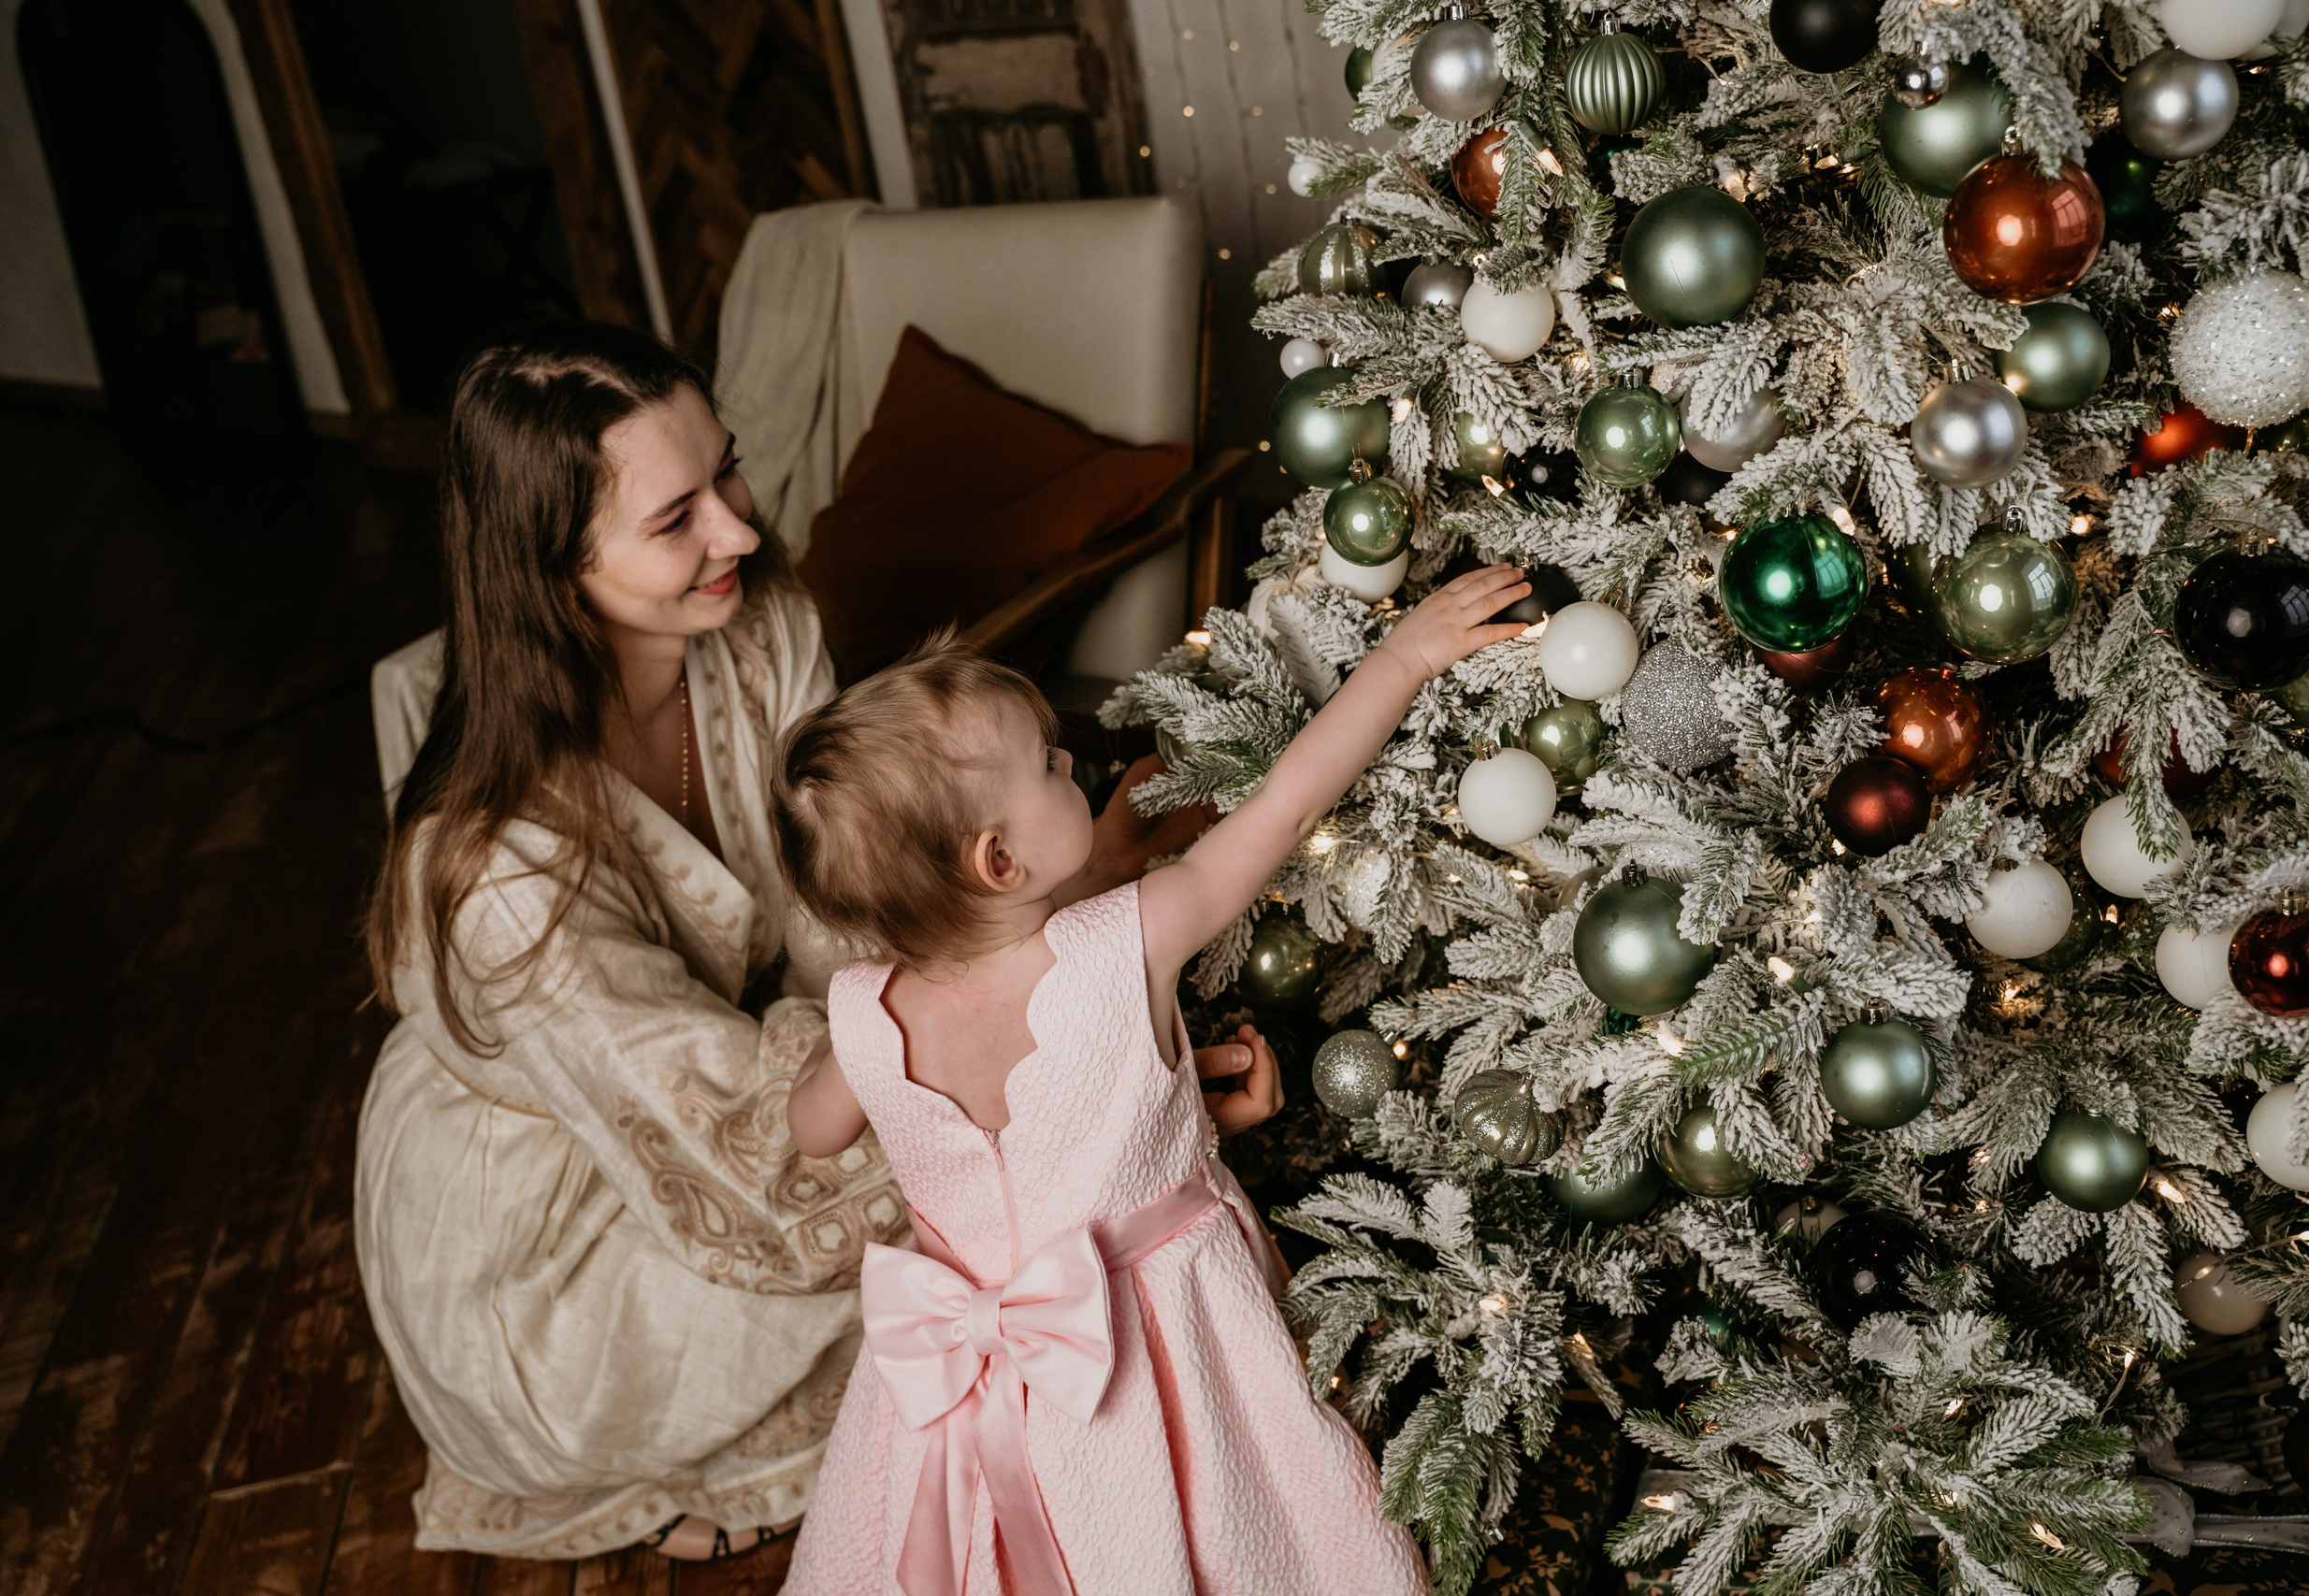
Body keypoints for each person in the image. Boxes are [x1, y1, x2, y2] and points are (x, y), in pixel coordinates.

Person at [356, 320, 1273, 1560]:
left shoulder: (761, 628)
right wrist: (1080, 1104)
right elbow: (741, 1156)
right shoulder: (491, 863)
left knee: (1027, 1248)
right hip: (561, 1221)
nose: (739, 528)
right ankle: (596, 1442)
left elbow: (860, 935)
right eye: (675, 517)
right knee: (1001, 1262)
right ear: (550, 567)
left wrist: (1082, 976)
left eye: (726, 471)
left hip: (778, 1071)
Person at [771, 561, 1532, 1594]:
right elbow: (1288, 800)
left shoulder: (865, 1008)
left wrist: (1164, 1117)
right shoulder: (1130, 937)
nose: (1073, 767)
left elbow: (812, 1128)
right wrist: (1406, 656)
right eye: (1050, 765)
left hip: (951, 1388)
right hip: (1159, 1345)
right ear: (999, 862)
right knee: (1201, 1532)